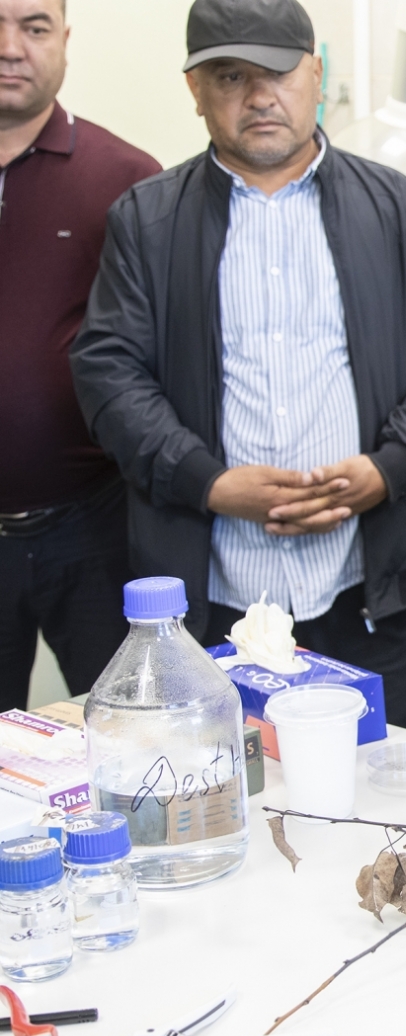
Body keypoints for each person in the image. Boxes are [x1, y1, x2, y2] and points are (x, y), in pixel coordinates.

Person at [70, 0, 406, 730]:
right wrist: (209, 482)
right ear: (195, 91)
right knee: (222, 796)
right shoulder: (146, 220)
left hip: (363, 585)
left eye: (279, 72)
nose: (260, 96)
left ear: (316, 75)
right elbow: (109, 373)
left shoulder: (396, 208)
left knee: (373, 796)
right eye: (231, 76)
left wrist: (387, 467)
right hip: (211, 595)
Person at [0, 0, 160, 710]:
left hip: (94, 527)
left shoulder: (124, 177)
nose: (11, 48)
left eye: (34, 27)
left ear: (64, 41)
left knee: (128, 745)